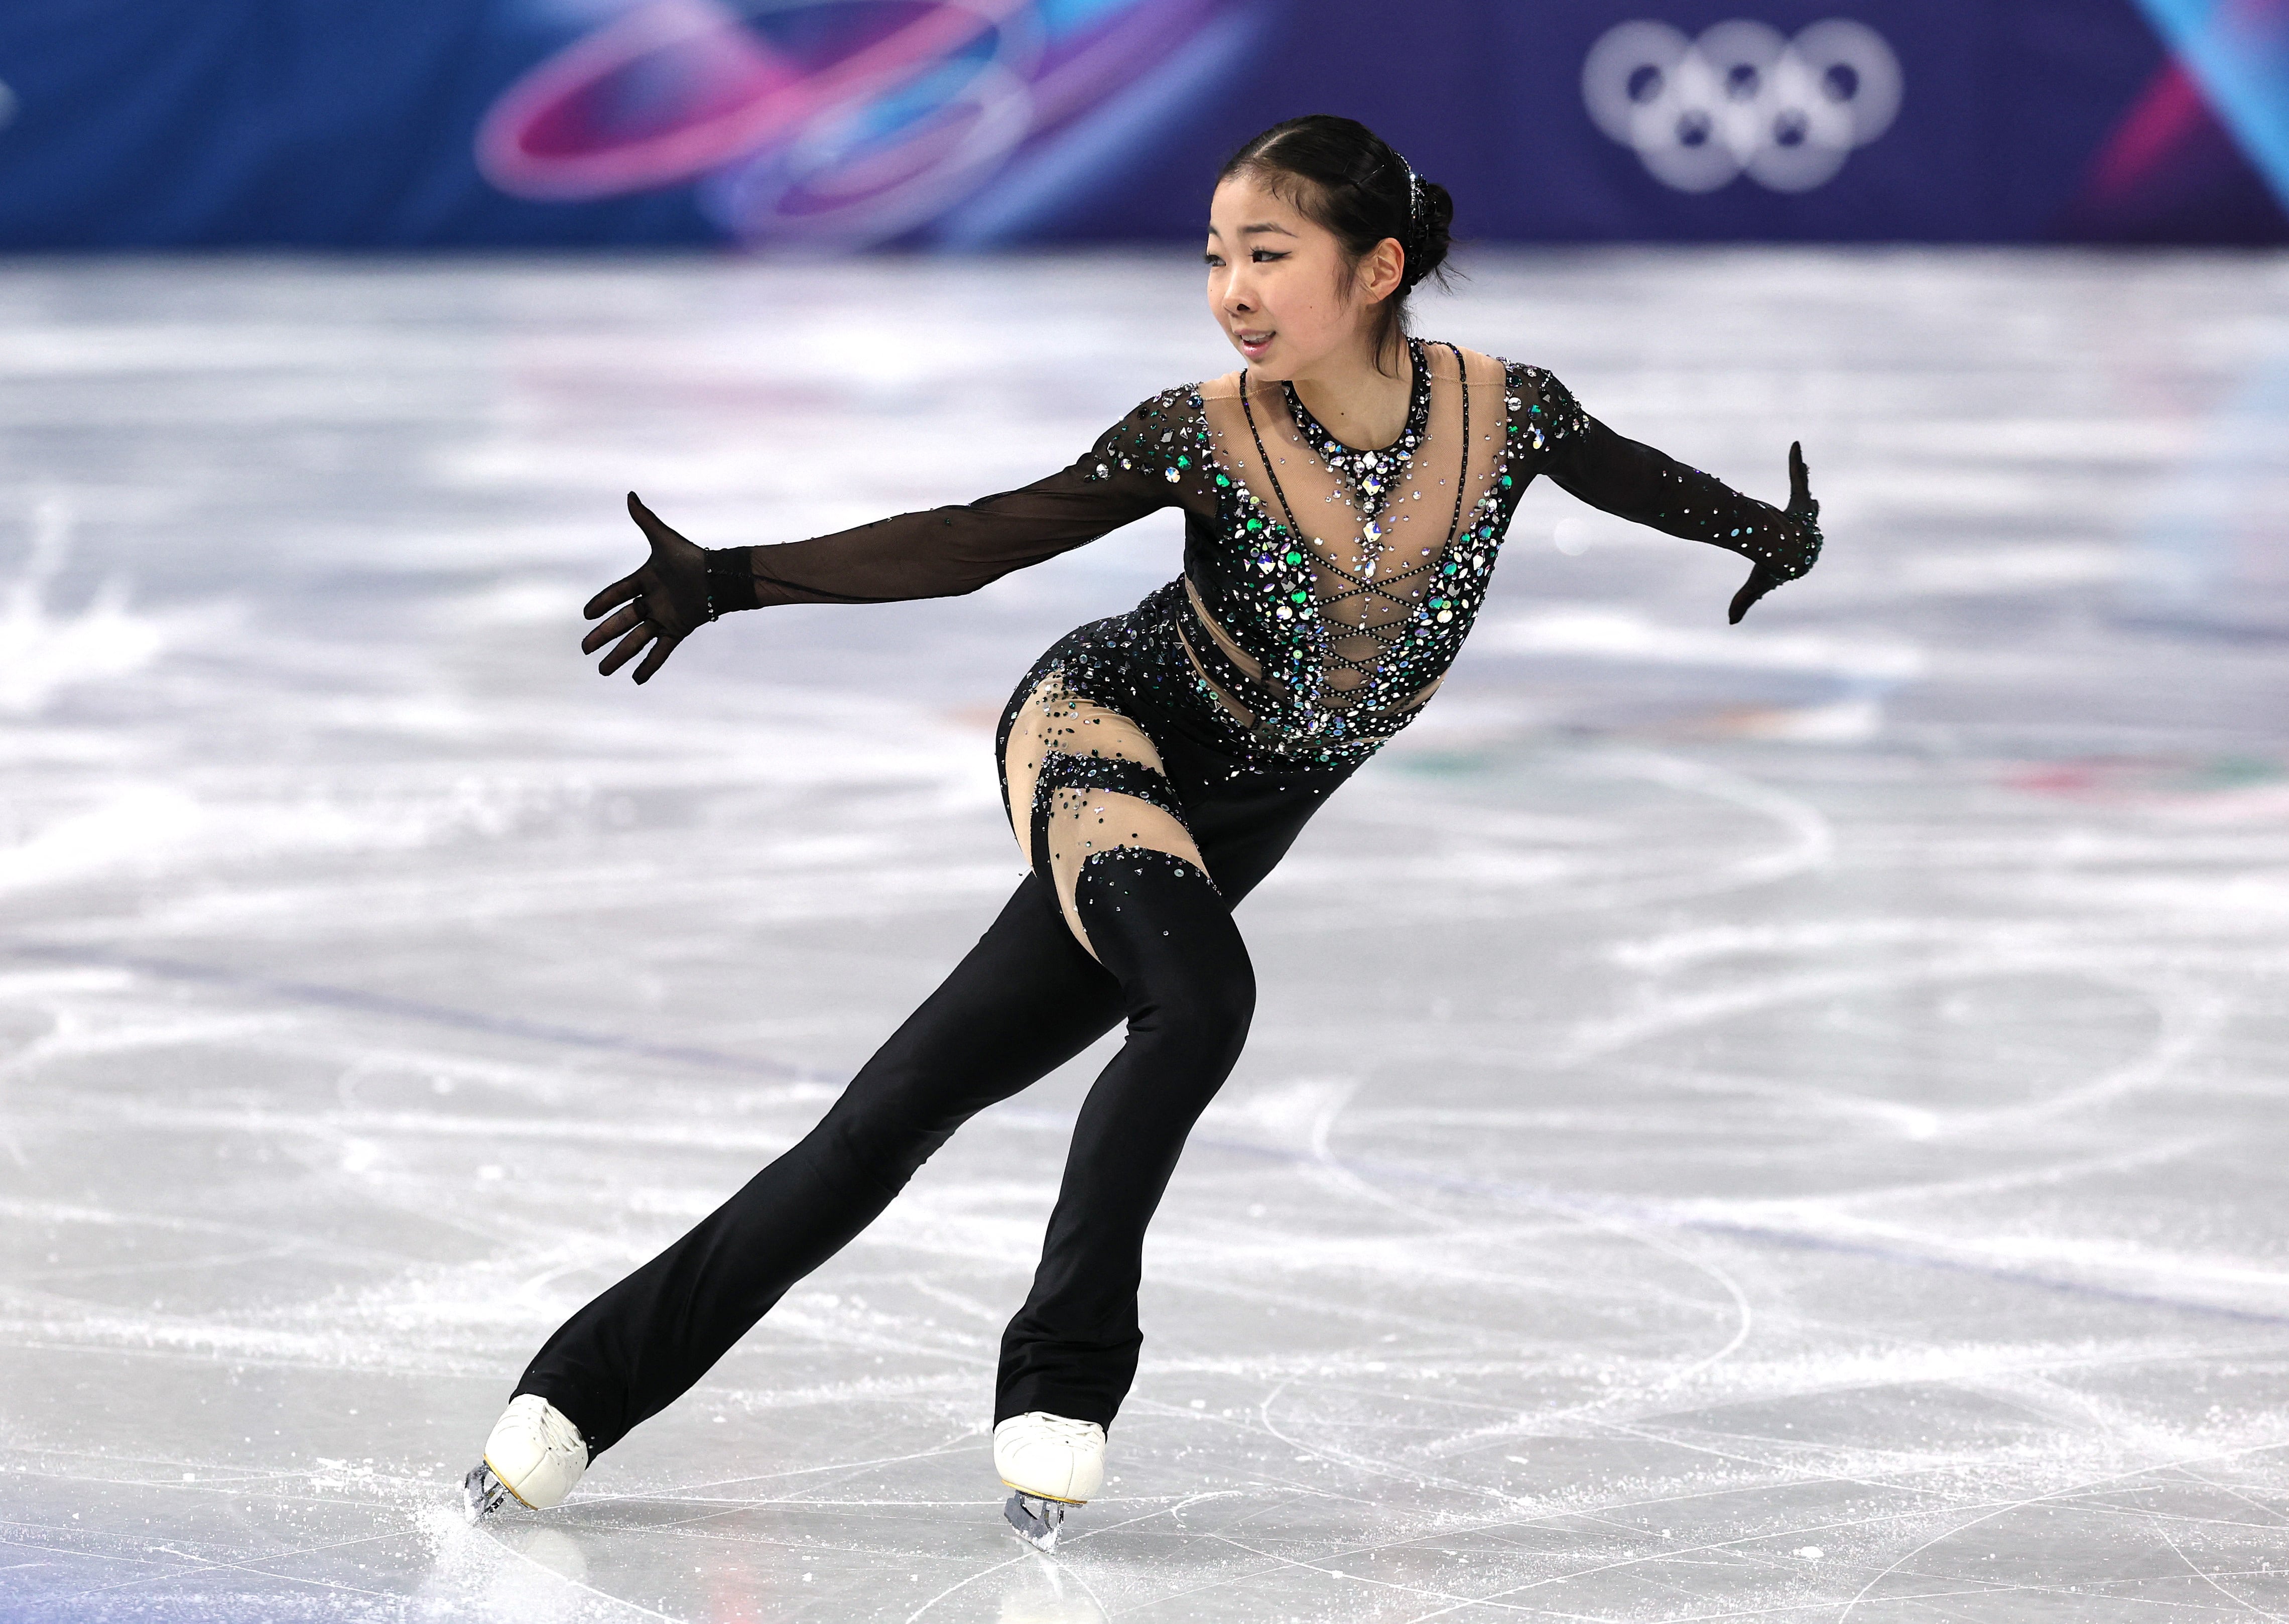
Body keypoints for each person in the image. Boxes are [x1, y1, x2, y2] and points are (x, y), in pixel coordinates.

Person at [464, 113, 1822, 1548]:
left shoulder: (1510, 414)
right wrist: (732, 578)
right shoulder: (1203, 434)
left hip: (1238, 823)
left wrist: (1769, 536)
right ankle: (1062, 1372)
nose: (1232, 288)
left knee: (895, 1113)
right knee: (1200, 998)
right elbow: (977, 540)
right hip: (1099, 737)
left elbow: (1633, 475)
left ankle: (574, 1391)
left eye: (1268, 254)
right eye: (1217, 255)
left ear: (1376, 270)